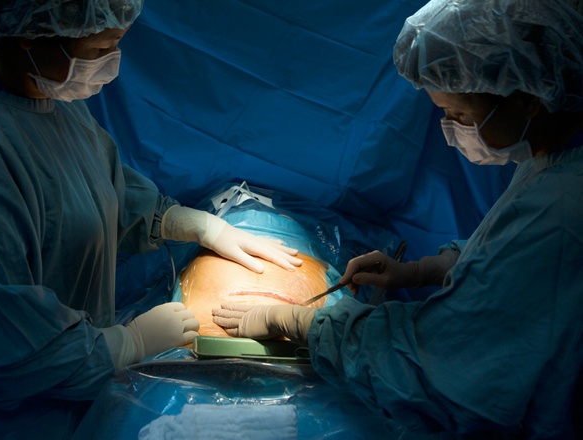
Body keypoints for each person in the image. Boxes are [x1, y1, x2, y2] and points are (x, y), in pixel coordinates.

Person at [0, 0, 304, 438]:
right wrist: (130, 343)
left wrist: (190, 223)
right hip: (18, 418)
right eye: (101, 48)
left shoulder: (53, 98)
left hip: (90, 385)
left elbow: (92, 195)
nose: (111, 62)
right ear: (31, 35)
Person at [213, 0, 583, 438]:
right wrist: (424, 270)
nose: (451, 130)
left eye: (461, 116)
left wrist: (298, 321)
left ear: (527, 100)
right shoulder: (553, 158)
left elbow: (436, 370)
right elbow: (513, 264)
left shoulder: (563, 206)